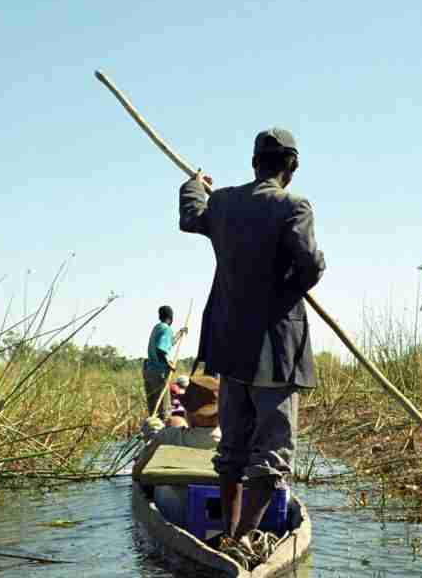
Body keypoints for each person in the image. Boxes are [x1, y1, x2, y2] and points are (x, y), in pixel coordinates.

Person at [179, 128, 325, 547]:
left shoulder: (222, 202)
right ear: (291, 168)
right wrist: (284, 289)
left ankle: (228, 534)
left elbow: (192, 216)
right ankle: (243, 541)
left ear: (254, 162)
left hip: (229, 344)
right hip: (275, 346)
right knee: (273, 450)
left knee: (233, 448)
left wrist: (193, 186)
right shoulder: (293, 205)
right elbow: (310, 265)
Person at [138, 375, 221, 525]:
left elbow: (138, 473)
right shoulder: (236, 440)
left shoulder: (168, 437)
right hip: (221, 513)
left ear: (189, 413)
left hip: (179, 516)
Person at [143, 305, 187, 419]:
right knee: (164, 409)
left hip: (149, 370)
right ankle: (163, 432)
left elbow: (168, 344)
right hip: (159, 372)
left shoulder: (157, 327)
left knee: (153, 407)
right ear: (171, 318)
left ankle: (152, 430)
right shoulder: (166, 329)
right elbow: (161, 350)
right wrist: (169, 365)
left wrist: (180, 333)